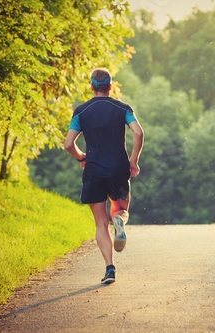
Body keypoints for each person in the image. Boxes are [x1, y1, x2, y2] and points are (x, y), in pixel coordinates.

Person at [64, 68, 144, 284]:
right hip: (118, 168)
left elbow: (68, 144)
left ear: (92, 86)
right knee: (120, 209)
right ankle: (119, 221)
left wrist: (82, 157)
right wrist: (133, 161)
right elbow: (138, 132)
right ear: (110, 86)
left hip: (94, 171)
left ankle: (110, 269)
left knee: (100, 223)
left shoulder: (81, 111)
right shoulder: (123, 108)